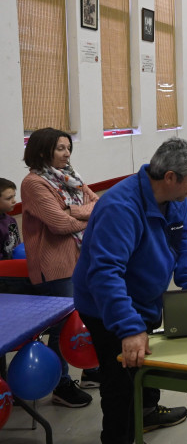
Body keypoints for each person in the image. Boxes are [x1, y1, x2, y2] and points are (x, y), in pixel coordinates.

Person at [73, 138, 187, 443]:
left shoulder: (174, 199)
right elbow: (105, 275)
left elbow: (183, 242)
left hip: (145, 297)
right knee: (120, 381)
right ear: (170, 177)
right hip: (106, 306)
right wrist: (129, 328)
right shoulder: (120, 207)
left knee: (146, 362)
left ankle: (146, 412)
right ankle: (119, 436)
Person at [21, 127, 100, 407]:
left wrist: (73, 211)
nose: (66, 154)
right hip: (54, 266)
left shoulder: (71, 178)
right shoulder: (34, 183)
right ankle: (61, 385)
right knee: (62, 327)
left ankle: (90, 370)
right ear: (43, 151)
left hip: (80, 259)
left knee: (88, 317)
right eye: (60, 149)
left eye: (68, 148)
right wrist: (81, 217)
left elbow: (98, 204)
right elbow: (59, 225)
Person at [0, 178, 21, 260]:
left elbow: (16, 244)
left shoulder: (11, 220)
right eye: (9, 198)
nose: (14, 201)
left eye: (14, 196)